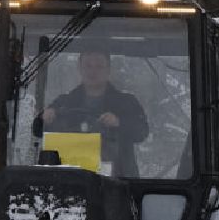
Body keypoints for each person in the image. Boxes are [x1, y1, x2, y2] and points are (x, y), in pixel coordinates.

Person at [32, 48, 149, 176]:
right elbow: (38, 130)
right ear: (80, 68)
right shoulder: (64, 103)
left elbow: (141, 131)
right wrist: (45, 118)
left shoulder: (126, 103)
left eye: (99, 66)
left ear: (108, 70)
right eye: (88, 65)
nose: (93, 71)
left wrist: (118, 122)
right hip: (71, 180)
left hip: (119, 182)